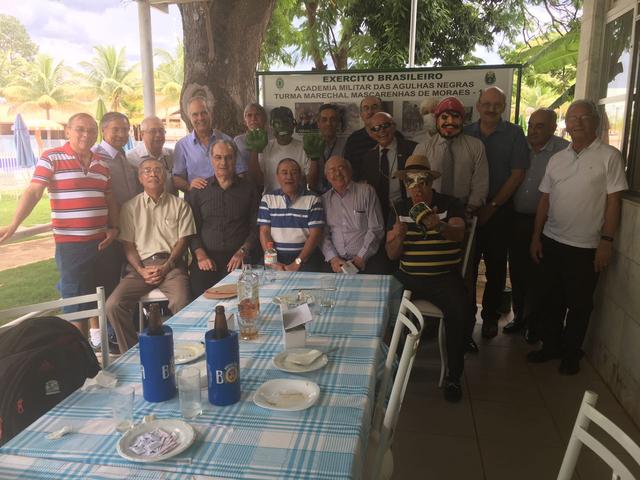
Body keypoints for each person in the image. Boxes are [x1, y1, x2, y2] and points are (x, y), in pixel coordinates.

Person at [527, 100, 627, 375]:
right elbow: (545, 200)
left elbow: (614, 202)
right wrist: (536, 236)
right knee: (550, 299)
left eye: (584, 117)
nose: (578, 122)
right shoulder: (557, 159)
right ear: (566, 124)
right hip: (552, 240)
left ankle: (571, 353)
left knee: (579, 304)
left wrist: (607, 241)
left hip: (586, 247)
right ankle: (551, 346)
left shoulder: (610, 157)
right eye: (573, 118)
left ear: (596, 121)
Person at [0, 113, 119, 339]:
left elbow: (110, 198)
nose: (86, 135)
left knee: (99, 294)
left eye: (91, 130)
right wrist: (15, 224)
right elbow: (34, 191)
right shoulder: (51, 157)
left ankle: (97, 340)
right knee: (75, 302)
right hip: (72, 245)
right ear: (68, 131)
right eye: (80, 129)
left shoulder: (102, 164)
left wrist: (115, 228)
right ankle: (78, 349)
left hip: (102, 242)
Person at [385, 154, 470, 403]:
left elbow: (459, 235)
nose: (417, 188)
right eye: (411, 182)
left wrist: (439, 225)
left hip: (443, 277)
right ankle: (391, 366)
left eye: (422, 181)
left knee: (461, 313)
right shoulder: (399, 208)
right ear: (405, 185)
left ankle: (453, 376)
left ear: (431, 182)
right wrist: (399, 237)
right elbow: (391, 254)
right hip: (407, 277)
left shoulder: (449, 204)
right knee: (384, 309)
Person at [106, 158, 195, 353]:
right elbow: (128, 245)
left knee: (181, 301)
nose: (153, 174)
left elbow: (183, 241)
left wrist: (167, 265)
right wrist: (141, 270)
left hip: (171, 266)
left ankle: (182, 351)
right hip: (140, 267)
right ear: (140, 178)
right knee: (113, 305)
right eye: (147, 171)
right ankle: (133, 354)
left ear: (165, 176)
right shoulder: (130, 207)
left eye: (158, 170)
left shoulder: (180, 205)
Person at [464, 86, 529, 339]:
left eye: (496, 104)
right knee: (468, 268)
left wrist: (492, 207)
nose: (491, 108)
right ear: (478, 106)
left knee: (496, 268)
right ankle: (467, 318)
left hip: (499, 211)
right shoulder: (466, 132)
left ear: (503, 106)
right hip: (469, 210)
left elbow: (517, 174)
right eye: (486, 104)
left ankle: (490, 317)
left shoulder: (514, 133)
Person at [503, 108, 569, 341]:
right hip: (518, 219)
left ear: (553, 128)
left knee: (540, 274)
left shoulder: (564, 151)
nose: (533, 131)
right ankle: (519, 316)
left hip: (548, 222)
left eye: (540, 126)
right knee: (518, 270)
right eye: (531, 125)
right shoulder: (520, 146)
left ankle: (535, 323)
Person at [189, 140, 259, 298]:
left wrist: (243, 251)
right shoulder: (199, 190)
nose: (223, 163)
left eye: (228, 157)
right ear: (211, 159)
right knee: (199, 295)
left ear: (235, 159)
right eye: (218, 157)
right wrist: (201, 255)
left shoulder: (248, 189)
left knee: (240, 297)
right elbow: (191, 229)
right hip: (207, 258)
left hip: (238, 257)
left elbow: (256, 227)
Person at [413, 96, 489, 214]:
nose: (450, 121)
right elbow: (414, 183)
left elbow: (480, 183)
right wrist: (422, 212)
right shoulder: (423, 148)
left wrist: (470, 209)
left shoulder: (476, 146)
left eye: (455, 117)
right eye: (444, 117)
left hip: (464, 210)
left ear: (462, 120)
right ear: (437, 120)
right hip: (430, 211)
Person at [320, 155, 385, 274]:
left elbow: (376, 229)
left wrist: (361, 257)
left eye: (341, 168)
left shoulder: (366, 191)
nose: (337, 173)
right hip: (337, 262)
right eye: (332, 170)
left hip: (367, 259)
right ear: (327, 177)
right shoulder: (324, 200)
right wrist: (333, 258)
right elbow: (323, 235)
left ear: (350, 171)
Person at [258, 158, 325, 272]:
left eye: (294, 172)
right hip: (275, 256)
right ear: (277, 177)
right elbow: (264, 232)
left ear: (300, 176)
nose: (289, 176)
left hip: (305, 258)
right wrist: (273, 262)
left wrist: (297, 262)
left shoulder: (313, 199)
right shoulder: (268, 199)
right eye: (284, 173)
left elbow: (315, 235)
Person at [355, 112, 417, 222]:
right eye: (376, 128)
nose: (382, 131)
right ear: (371, 133)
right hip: (378, 213)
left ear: (394, 126)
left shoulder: (412, 149)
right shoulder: (368, 157)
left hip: (407, 210)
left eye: (385, 126)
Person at [173, 96, 233, 194]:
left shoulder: (227, 141)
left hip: (225, 196)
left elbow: (241, 172)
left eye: (204, 113)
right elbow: (176, 178)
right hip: (197, 200)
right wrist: (189, 186)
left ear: (210, 113)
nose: (200, 118)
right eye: (195, 114)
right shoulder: (182, 146)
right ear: (189, 117)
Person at [252, 107, 318, 193]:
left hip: (298, 199)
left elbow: (312, 183)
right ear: (271, 126)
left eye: (286, 122)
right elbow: (258, 181)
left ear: (293, 125)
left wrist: (314, 159)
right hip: (271, 199)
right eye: (277, 123)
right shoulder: (265, 147)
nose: (282, 127)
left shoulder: (304, 147)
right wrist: (254, 152)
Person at [93, 112, 141, 206]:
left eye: (125, 130)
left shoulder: (123, 155)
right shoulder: (94, 156)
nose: (121, 134)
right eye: (115, 129)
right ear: (103, 130)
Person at [127, 116, 177, 196]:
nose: (158, 135)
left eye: (161, 131)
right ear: (142, 134)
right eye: (153, 131)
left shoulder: (172, 155)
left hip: (171, 203)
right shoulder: (130, 158)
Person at [313, 103, 346, 193]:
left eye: (333, 120)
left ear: (338, 123)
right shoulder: (311, 145)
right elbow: (309, 182)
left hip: (340, 194)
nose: (328, 123)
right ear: (318, 123)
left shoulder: (347, 145)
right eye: (324, 120)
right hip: (315, 194)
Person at [343, 95, 382, 166]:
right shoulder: (353, 140)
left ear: (382, 111)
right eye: (366, 108)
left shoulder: (394, 136)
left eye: (374, 107)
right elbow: (348, 168)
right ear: (361, 114)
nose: (370, 112)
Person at [234, 103, 267, 183]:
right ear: (244, 121)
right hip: (246, 185)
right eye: (249, 115)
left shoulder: (272, 139)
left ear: (264, 118)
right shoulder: (237, 141)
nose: (253, 118)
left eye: (257, 115)